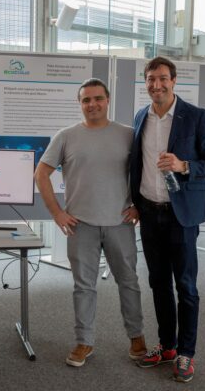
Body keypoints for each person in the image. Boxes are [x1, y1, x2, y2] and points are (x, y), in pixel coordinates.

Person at [34, 78, 146, 368]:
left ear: (107, 100)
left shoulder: (129, 135)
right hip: (80, 225)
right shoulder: (66, 136)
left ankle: (136, 336)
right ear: (79, 103)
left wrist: (139, 206)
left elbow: (145, 172)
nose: (92, 104)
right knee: (84, 286)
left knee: (129, 283)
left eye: (98, 98)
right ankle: (84, 341)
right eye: (86, 100)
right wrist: (57, 213)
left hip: (119, 223)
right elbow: (40, 174)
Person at [129, 57, 205, 383]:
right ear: (145, 83)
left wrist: (184, 166)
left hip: (182, 216)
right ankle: (167, 345)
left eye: (163, 79)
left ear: (173, 81)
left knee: (185, 285)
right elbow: (136, 165)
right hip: (150, 214)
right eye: (151, 79)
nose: (157, 85)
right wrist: (134, 202)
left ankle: (186, 353)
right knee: (158, 283)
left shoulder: (195, 117)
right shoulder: (141, 117)